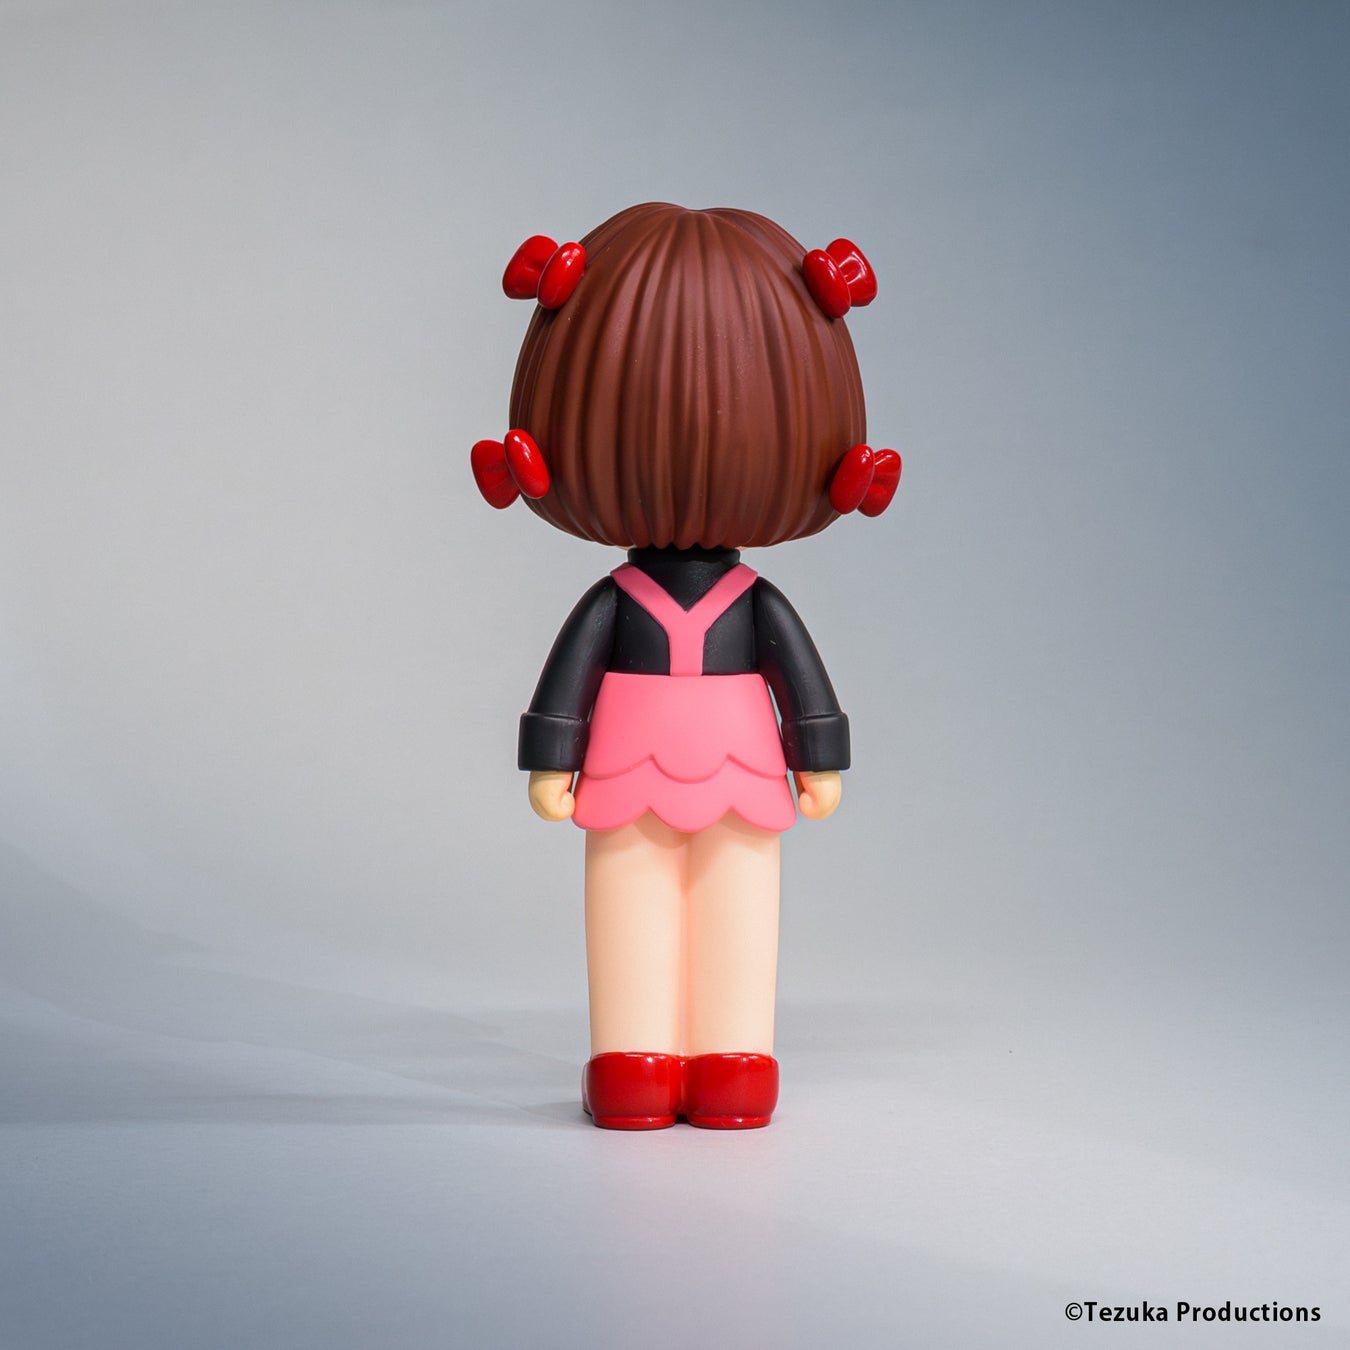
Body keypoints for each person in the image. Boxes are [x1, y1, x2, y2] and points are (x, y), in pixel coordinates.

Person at [471, 202, 898, 1129]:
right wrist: (552, 754)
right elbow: (568, 677)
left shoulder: (752, 604)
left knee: (739, 902)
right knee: (630, 900)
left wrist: (818, 751)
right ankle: (632, 1061)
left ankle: (734, 1060)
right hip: (629, 773)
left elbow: (801, 678)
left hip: (740, 774)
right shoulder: (617, 602)